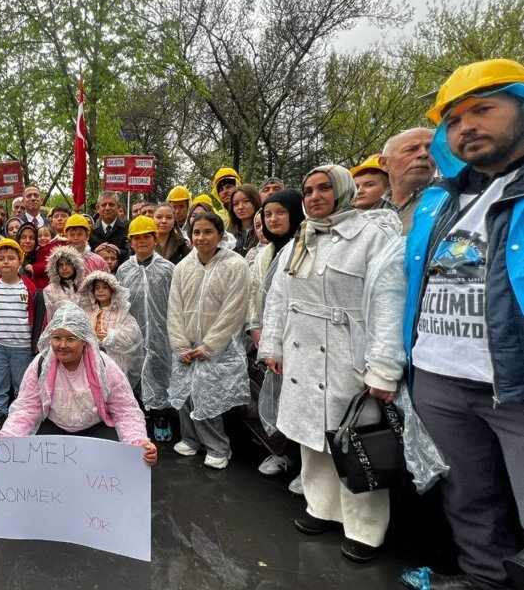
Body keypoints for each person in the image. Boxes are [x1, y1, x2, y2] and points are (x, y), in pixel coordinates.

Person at [400, 59, 524, 590]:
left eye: (484, 109)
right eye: (454, 119)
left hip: (513, 383)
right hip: (438, 375)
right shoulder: (440, 202)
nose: (467, 126)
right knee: (469, 497)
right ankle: (483, 581)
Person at [260, 164, 405, 563]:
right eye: (307, 190)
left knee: (356, 441)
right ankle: (320, 506)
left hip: (349, 353)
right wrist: (273, 346)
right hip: (302, 350)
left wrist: (383, 367)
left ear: (342, 190)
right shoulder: (300, 239)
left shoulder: (373, 235)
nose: (314, 197)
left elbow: (388, 303)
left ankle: (365, 528)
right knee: (312, 437)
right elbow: (277, 297)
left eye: (324, 188)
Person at [0, 303, 156, 466]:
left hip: (96, 431)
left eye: (71, 339)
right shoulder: (41, 365)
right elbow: (27, 407)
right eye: (56, 337)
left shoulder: (104, 366)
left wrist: (137, 442)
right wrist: (4, 439)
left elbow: (124, 409)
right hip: (54, 434)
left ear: (85, 339)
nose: (62, 345)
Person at [168, 213, 251, 470]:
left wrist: (211, 345)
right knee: (185, 395)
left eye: (207, 232)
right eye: (196, 232)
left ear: (219, 234)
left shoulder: (235, 265)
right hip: (186, 344)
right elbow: (174, 307)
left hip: (217, 348)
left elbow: (234, 309)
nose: (201, 237)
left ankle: (217, 447)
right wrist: (180, 344)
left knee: (209, 397)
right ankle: (190, 439)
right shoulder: (183, 267)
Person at [246, 190, 305, 481]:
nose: (272, 219)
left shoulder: (305, 245)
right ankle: (281, 453)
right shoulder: (264, 253)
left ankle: (304, 464)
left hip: (299, 338)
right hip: (266, 338)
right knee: (272, 399)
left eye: (280, 212)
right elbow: (256, 295)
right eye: (267, 215)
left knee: (300, 402)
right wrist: (256, 329)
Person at [0, 238, 46, 434]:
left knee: (22, 385)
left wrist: (36, 347)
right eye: (1, 258)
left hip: (22, 347)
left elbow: (39, 319)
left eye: (11, 258)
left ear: (20, 262)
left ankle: (21, 418)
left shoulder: (29, 289)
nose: (6, 262)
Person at [116, 216, 176, 443]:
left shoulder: (168, 269)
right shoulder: (123, 270)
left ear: (155, 239)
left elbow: (176, 302)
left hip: (162, 332)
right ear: (130, 241)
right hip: (134, 332)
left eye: (146, 237)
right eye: (136, 238)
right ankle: (141, 417)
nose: (141, 241)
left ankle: (161, 415)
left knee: (161, 371)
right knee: (136, 372)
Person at [77, 271, 144, 383]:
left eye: (105, 287)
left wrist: (111, 335)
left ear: (112, 291)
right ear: (92, 291)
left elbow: (133, 333)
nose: (100, 290)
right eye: (97, 288)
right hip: (90, 358)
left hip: (114, 360)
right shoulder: (87, 311)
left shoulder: (120, 311)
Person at [379, 128, 436, 234]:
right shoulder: (371, 212)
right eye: (411, 149)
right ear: (384, 163)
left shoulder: (452, 200)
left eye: (432, 149)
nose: (424, 154)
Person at [43, 245, 86, 320]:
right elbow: (48, 318)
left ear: (75, 265)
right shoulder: (49, 291)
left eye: (68, 264)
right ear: (55, 268)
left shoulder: (85, 287)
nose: (64, 268)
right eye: (60, 265)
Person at [90, 191, 129, 263]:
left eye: (111, 204)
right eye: (104, 205)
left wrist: (119, 252)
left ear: (119, 207)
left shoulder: (129, 227)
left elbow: (136, 253)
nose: (107, 208)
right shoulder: (90, 230)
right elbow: (85, 255)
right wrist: (95, 252)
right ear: (98, 208)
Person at [228, 183, 262, 256]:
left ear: (255, 202)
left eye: (246, 201)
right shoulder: (228, 236)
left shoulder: (264, 232)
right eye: (236, 204)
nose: (240, 207)